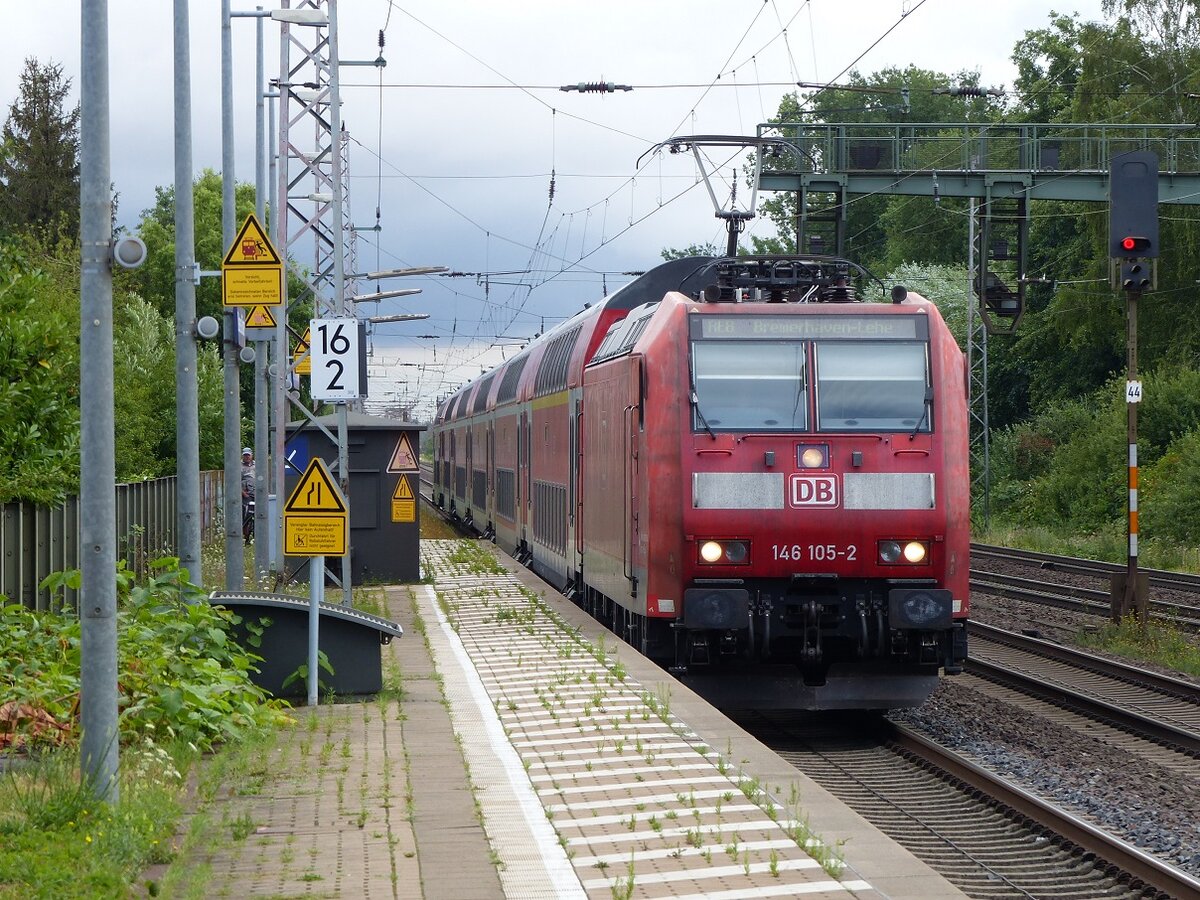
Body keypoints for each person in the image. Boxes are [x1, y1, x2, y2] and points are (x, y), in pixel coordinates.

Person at [241, 448, 255, 543]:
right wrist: (242, 493)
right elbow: (235, 482)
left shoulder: (256, 466)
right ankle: (246, 537)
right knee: (246, 515)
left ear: (251, 455)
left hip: (256, 494)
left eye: (248, 455)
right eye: (245, 455)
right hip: (245, 495)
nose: (247, 457)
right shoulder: (239, 467)